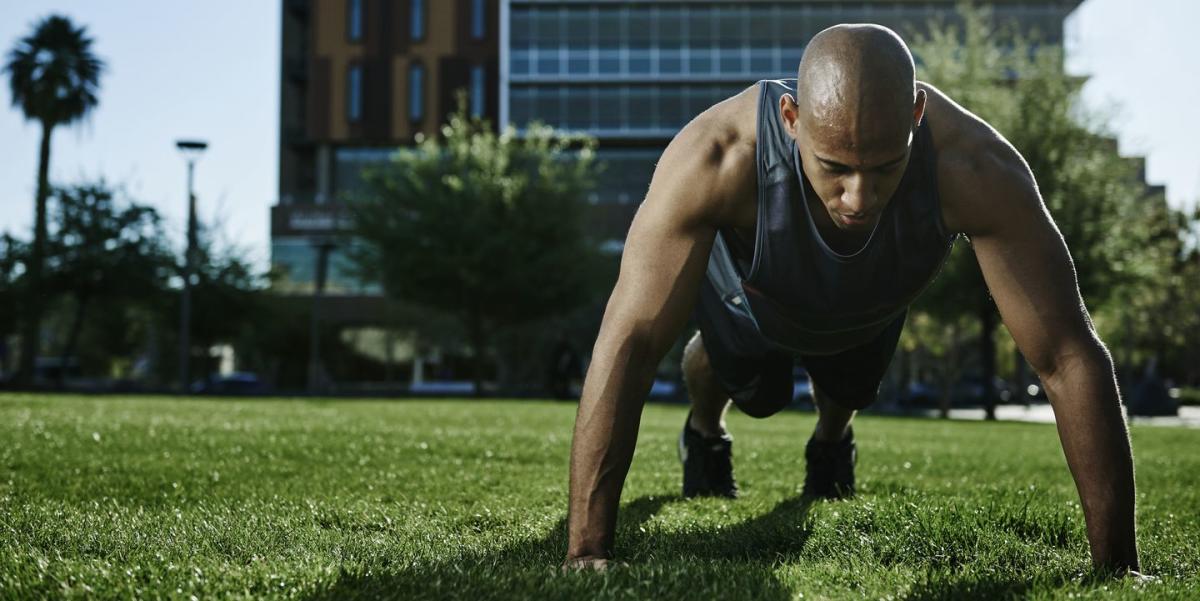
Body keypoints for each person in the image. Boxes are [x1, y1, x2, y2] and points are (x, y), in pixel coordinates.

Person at [563, 24, 1145, 578]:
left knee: (849, 386)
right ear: (791, 119)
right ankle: (707, 430)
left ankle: (832, 441)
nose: (859, 197)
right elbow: (632, 340)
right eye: (835, 167)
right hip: (756, 294)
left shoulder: (974, 166)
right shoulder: (718, 156)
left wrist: (1118, 567)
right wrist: (587, 548)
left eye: (885, 167)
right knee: (756, 389)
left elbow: (1067, 354)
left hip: (869, 304)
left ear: (916, 115)